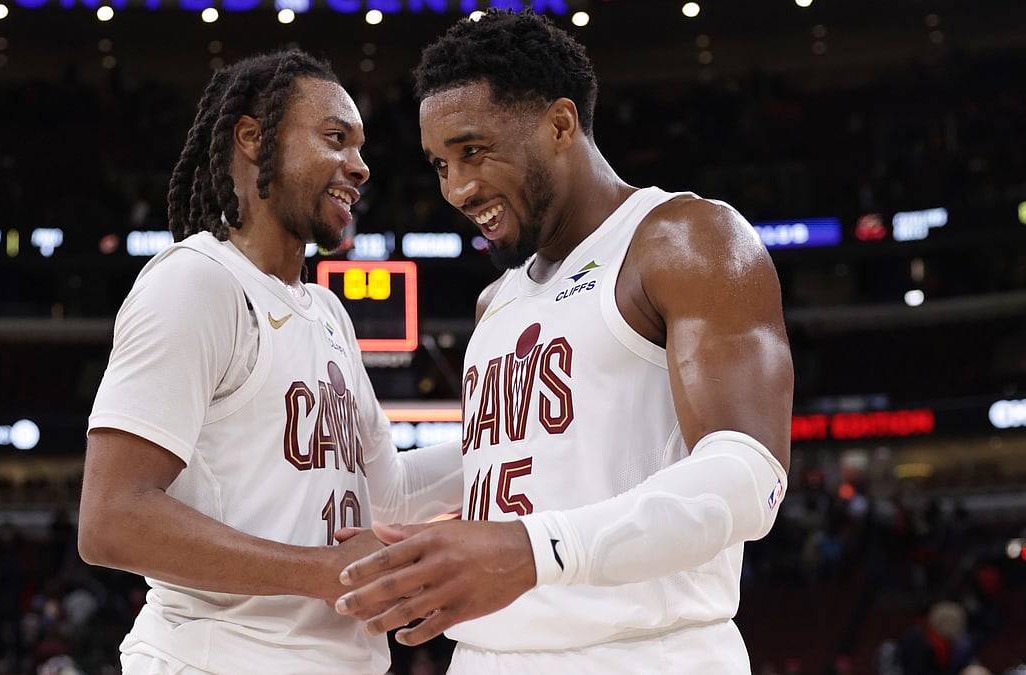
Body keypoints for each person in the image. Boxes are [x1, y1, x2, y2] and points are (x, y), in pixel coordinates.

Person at [333, 10, 795, 674]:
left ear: (559, 124)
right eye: (440, 165)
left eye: (474, 151)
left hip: (643, 655)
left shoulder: (683, 240)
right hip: (486, 655)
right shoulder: (496, 300)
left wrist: (531, 549)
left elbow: (751, 479)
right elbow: (521, 460)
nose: (457, 188)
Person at [77, 49, 461, 675]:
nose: (360, 166)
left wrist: (515, 440)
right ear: (252, 139)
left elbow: (389, 495)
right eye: (335, 138)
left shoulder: (327, 312)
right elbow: (112, 519)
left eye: (360, 147)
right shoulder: (196, 281)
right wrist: (322, 573)